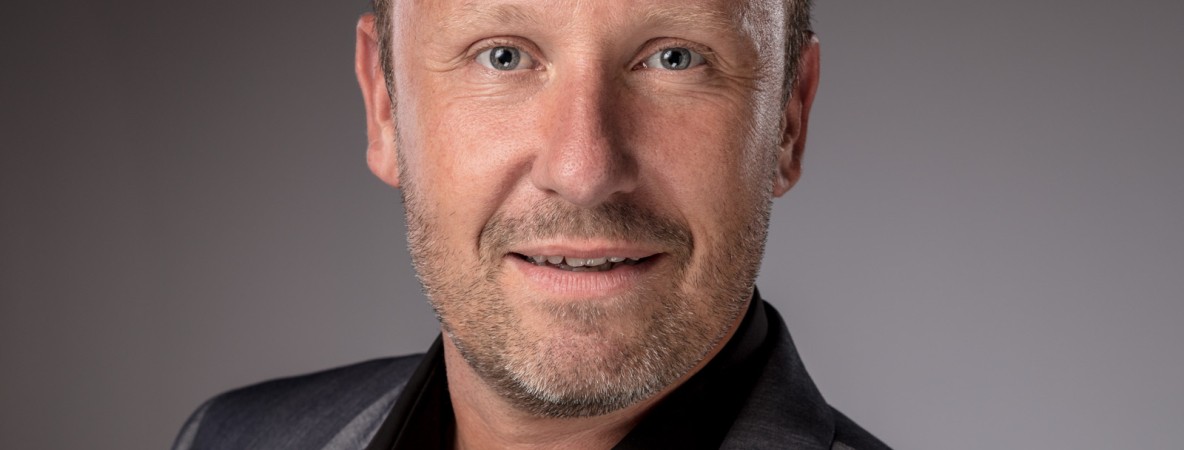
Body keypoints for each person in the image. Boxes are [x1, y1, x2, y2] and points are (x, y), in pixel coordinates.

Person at [172, 0, 888, 448]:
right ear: (385, 106)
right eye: (503, 55)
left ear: (788, 119)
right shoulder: (230, 437)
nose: (583, 169)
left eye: (675, 58)